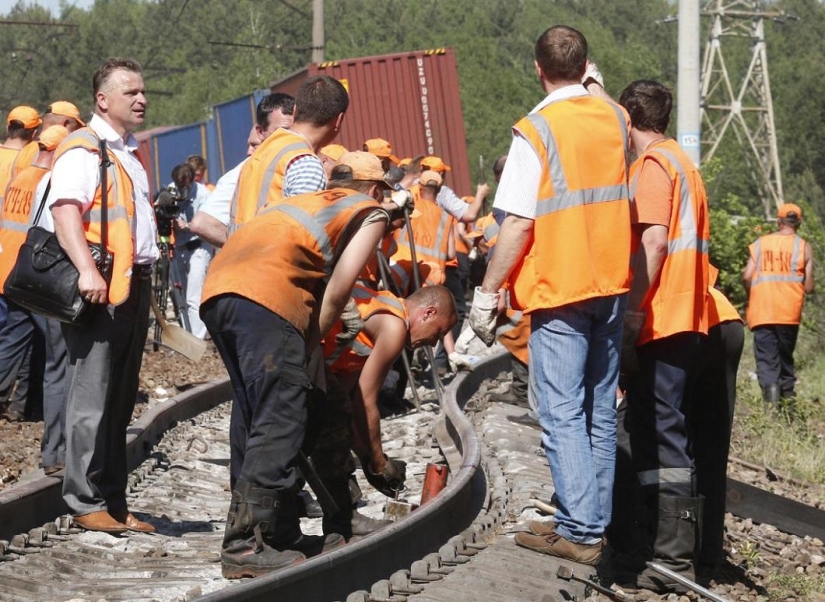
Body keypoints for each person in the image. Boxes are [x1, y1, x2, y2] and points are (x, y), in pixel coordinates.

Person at [469, 25, 631, 566]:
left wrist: (488, 293)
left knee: (561, 409)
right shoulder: (614, 117)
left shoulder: (534, 132)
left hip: (561, 288)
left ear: (538, 69)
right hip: (610, 285)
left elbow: (516, 225)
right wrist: (597, 86)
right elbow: (613, 113)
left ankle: (581, 529)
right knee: (598, 411)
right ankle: (589, 519)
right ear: (587, 67)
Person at [201, 151, 390, 578]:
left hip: (219, 292)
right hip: (266, 299)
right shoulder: (370, 211)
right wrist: (310, 342)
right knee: (281, 416)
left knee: (258, 411)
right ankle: (246, 545)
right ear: (375, 189)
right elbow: (340, 289)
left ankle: (280, 530)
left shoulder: (309, 204)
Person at [48, 57, 158, 534]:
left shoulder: (125, 152)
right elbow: (66, 212)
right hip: (101, 291)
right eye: (130, 91)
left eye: (142, 91)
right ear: (103, 100)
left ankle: (112, 499)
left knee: (119, 400)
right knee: (92, 397)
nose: (142, 99)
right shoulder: (84, 149)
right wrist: (87, 271)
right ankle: (84, 497)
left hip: (130, 286)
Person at [609, 79, 710, 592]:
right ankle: (649, 540)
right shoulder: (683, 162)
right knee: (650, 425)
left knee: (664, 431)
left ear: (628, 118)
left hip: (661, 314)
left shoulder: (654, 166)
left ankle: (674, 559)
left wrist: (630, 313)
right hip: (684, 312)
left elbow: (653, 241)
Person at [317, 284, 456, 539]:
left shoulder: (380, 324)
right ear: (428, 313)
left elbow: (347, 407)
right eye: (438, 332)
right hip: (295, 346)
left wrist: (368, 459)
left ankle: (340, 516)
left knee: (331, 419)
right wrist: (380, 463)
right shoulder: (394, 326)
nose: (433, 343)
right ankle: (338, 518)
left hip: (304, 351)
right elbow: (365, 401)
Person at [0, 126, 70, 436]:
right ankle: (33, 408)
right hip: (37, 275)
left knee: (13, 340)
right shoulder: (47, 181)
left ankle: (15, 403)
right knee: (54, 348)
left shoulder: (20, 177)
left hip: (12, 271)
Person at [229, 76, 347, 232]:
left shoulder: (263, 152)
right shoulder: (306, 163)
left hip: (240, 252)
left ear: (295, 110)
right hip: (272, 255)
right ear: (339, 120)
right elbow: (299, 235)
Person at [190, 93, 295, 247]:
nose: (249, 152)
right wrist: (250, 250)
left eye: (293, 131)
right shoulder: (244, 171)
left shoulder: (304, 160)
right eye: (283, 131)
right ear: (261, 132)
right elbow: (201, 223)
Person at [743, 202, 814, 403]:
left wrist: (754, 295)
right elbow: (808, 286)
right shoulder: (804, 247)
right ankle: (788, 405)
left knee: (767, 361)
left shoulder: (760, 243)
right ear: (798, 223)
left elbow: (747, 276)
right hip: (789, 313)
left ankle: (771, 412)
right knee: (785, 359)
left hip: (762, 311)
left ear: (779, 220)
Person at [166, 163, 212, 339]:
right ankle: (186, 333)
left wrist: (188, 225)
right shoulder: (170, 191)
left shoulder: (203, 194)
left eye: (185, 186)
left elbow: (208, 222)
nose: (181, 190)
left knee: (194, 295)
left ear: (193, 181)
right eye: (179, 186)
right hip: (178, 247)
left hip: (197, 246)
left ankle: (197, 337)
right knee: (180, 294)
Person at [11, 101, 85, 178]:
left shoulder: (25, 150)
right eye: (77, 127)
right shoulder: (59, 152)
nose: (76, 132)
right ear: (65, 124)